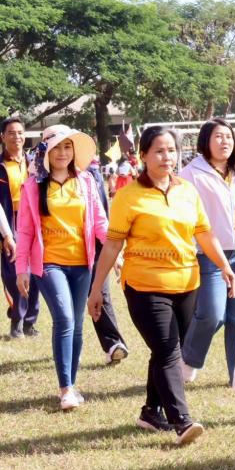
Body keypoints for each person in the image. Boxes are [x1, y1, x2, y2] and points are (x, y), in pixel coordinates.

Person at [87, 125, 235, 446]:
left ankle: (150, 412)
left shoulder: (187, 190)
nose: (167, 156)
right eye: (159, 150)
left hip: (186, 283)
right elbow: (112, 245)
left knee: (167, 348)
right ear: (143, 155)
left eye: (171, 150)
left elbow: (203, 233)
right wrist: (96, 288)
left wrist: (225, 267)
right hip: (144, 286)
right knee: (168, 350)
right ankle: (182, 421)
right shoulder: (128, 196)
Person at [15, 125, 108, 410]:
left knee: (77, 323)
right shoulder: (32, 187)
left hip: (82, 264)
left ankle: (72, 384)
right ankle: (65, 388)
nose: (63, 153)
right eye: (56, 147)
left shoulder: (86, 181)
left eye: (68, 147)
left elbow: (100, 221)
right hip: (49, 264)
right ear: (45, 152)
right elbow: (25, 231)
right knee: (65, 319)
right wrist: (21, 269)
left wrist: (116, 251)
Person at [180, 118, 235, 385]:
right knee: (212, 314)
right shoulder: (191, 173)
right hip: (208, 254)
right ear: (206, 141)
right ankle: (188, 359)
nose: (225, 142)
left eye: (229, 136)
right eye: (219, 137)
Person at [86, 156, 129, 364]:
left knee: (101, 293)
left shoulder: (91, 175)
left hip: (95, 247)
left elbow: (101, 215)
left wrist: (114, 252)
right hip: (59, 256)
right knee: (68, 311)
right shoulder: (42, 177)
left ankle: (113, 345)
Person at [0, 117, 40, 338]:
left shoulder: (35, 163)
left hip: (32, 221)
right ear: (2, 137)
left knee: (35, 271)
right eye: (11, 133)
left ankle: (29, 322)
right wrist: (6, 234)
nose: (17, 137)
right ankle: (17, 318)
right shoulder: (0, 166)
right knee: (12, 272)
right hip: (8, 221)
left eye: (20, 132)